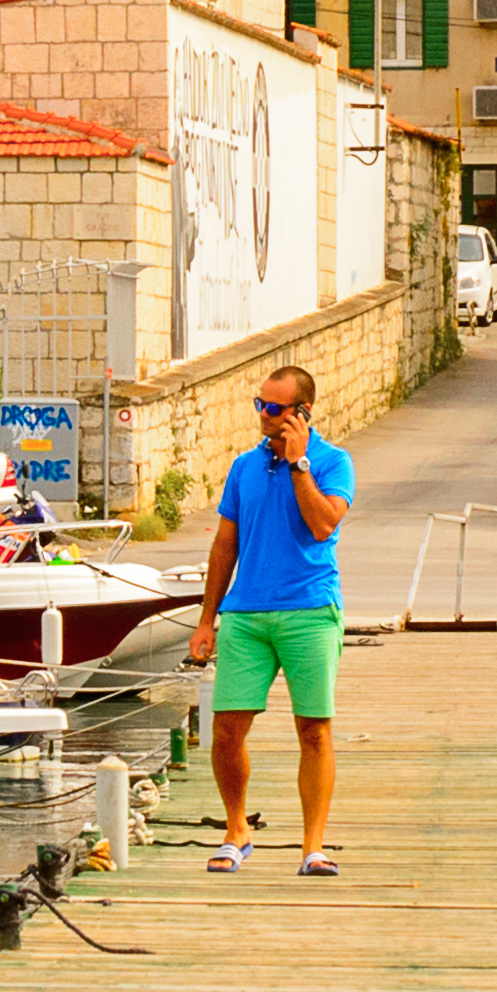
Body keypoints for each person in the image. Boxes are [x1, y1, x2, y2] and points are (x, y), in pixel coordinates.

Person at [180, 361, 354, 876]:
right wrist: (206, 620)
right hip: (246, 614)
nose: (263, 416)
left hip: (309, 610)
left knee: (315, 731)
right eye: (260, 405)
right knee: (227, 730)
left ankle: (313, 847)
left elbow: (323, 525)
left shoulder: (332, 462)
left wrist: (299, 465)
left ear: (302, 412)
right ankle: (237, 831)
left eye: (274, 408)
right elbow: (224, 544)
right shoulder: (243, 468)